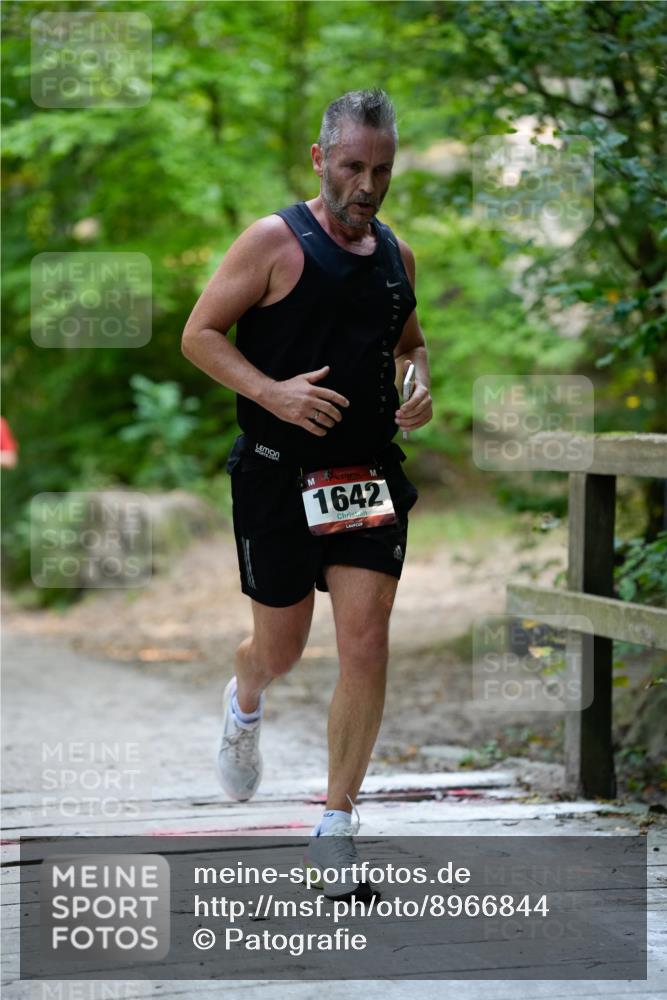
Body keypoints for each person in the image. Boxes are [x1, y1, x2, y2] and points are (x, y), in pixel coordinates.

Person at [182, 89, 432, 899]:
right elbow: (198, 335)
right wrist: (274, 394)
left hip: (363, 476)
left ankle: (336, 824)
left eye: (382, 170)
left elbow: (409, 344)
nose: (368, 185)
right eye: (353, 166)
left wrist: (417, 384)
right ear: (321, 159)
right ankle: (246, 697)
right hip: (274, 475)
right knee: (281, 650)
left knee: (365, 640)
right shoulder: (273, 242)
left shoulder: (396, 256)